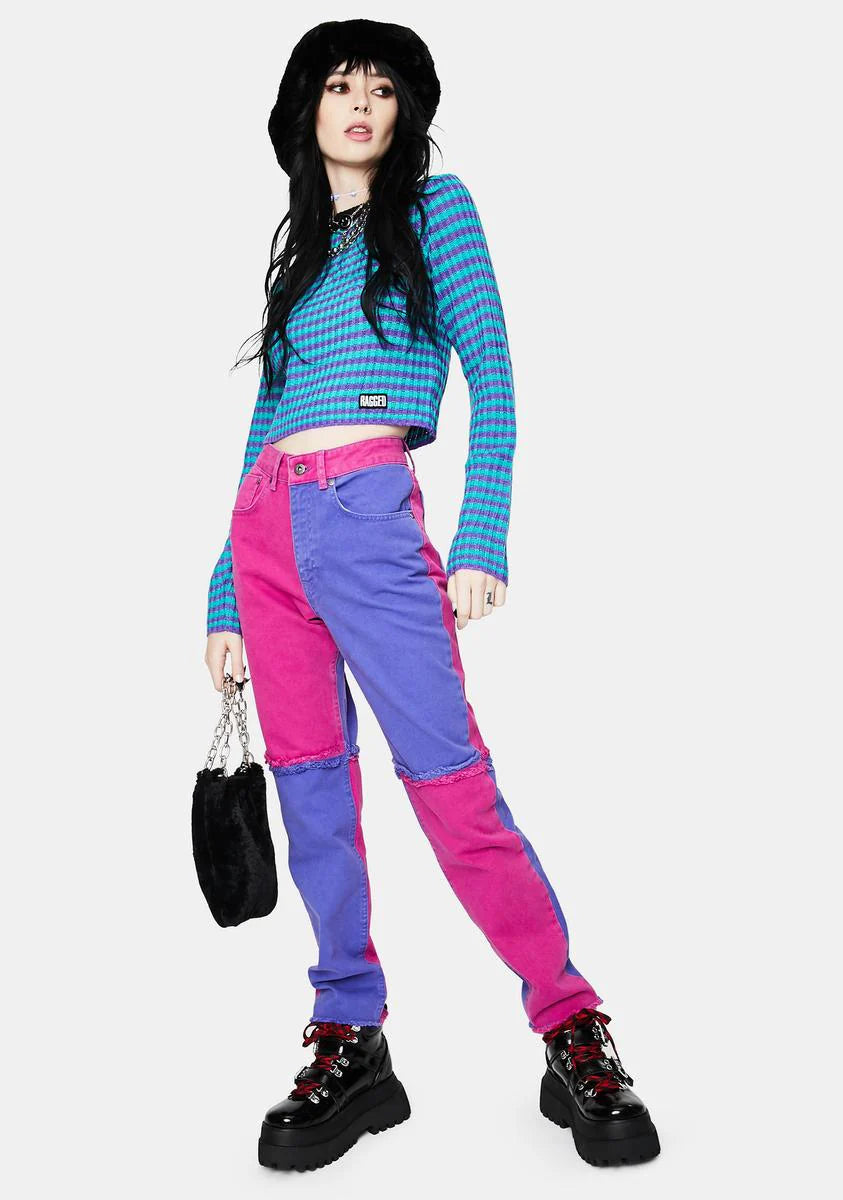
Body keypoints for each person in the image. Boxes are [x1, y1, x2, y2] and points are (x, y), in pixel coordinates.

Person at [204, 19, 660, 1173]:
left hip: (368, 514)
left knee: (452, 787)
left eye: (382, 87)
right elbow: (264, 424)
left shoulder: (435, 211)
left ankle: (571, 1022)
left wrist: (482, 531)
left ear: (406, 109)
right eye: (339, 85)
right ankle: (349, 1034)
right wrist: (224, 594)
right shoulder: (300, 249)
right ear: (306, 109)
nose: (361, 104)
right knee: (312, 793)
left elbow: (493, 371)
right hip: (268, 531)